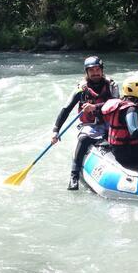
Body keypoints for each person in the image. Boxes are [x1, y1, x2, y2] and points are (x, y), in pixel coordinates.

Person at [51, 56, 119, 190]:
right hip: (91, 126)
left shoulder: (111, 85)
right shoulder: (81, 89)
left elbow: (116, 104)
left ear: (102, 70)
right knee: (83, 139)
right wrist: (56, 130)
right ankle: (74, 176)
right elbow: (66, 109)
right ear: (86, 73)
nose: (95, 73)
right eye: (91, 70)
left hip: (109, 123)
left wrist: (95, 107)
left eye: (98, 69)